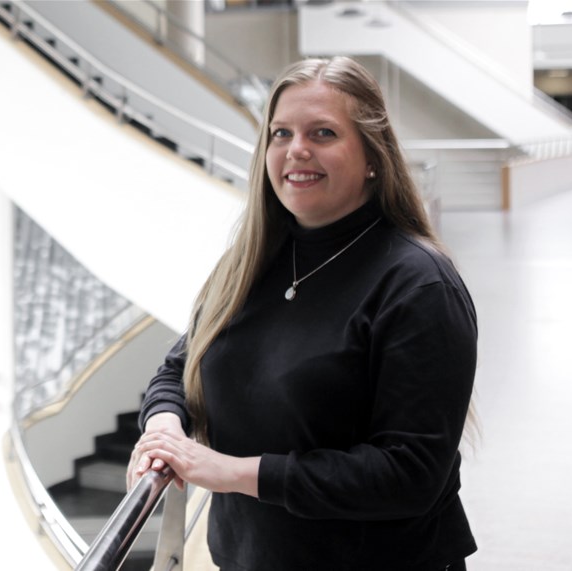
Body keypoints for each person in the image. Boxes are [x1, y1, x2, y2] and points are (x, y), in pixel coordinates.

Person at [128, 56, 478, 571]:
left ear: (373, 157)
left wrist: (228, 471)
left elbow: (409, 474)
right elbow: (180, 368)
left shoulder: (419, 284)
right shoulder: (249, 263)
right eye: (280, 133)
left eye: (323, 133)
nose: (296, 150)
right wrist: (164, 429)